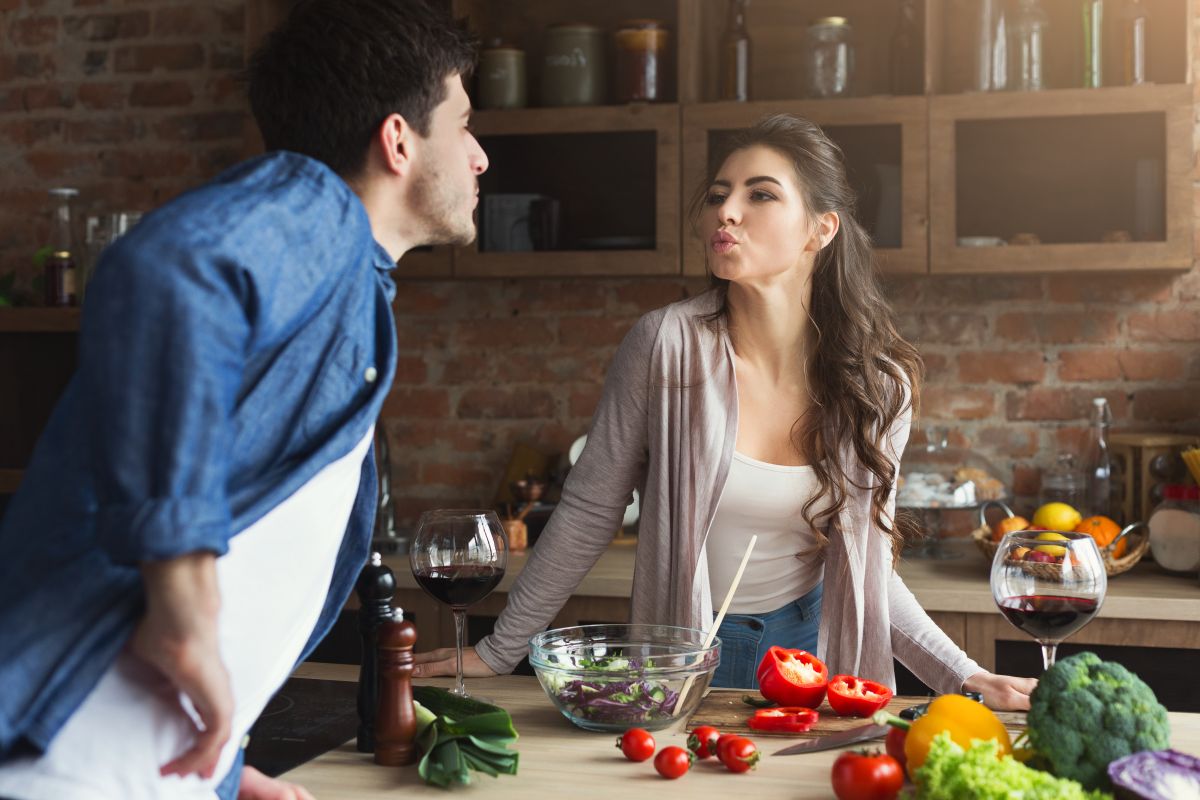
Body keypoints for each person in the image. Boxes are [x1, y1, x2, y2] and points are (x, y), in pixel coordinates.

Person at [0, 2, 487, 798]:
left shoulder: (346, 295)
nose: (479, 157)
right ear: (398, 139)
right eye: (463, 124)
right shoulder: (320, 209)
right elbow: (166, 271)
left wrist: (221, 772)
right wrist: (185, 604)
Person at [414, 114, 1036, 711]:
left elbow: (868, 568)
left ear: (821, 228)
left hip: (815, 653)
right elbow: (586, 513)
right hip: (685, 650)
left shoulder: (877, 388)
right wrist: (500, 650)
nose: (726, 211)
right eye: (718, 194)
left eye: (760, 195)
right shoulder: (665, 346)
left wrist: (967, 676)